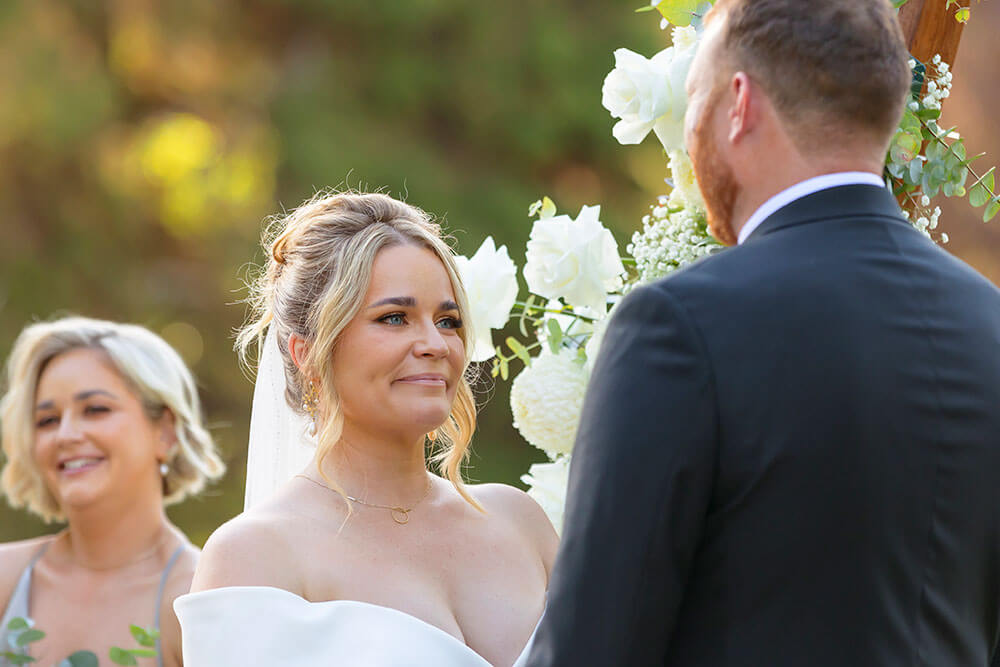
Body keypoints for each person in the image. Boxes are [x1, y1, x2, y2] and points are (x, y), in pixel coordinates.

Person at [526, 0, 1000, 665]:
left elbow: (593, 648)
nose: (690, 130)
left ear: (738, 104)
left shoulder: (679, 326)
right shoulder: (990, 323)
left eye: (696, 98)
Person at [175, 192, 558, 666]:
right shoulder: (254, 556)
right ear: (308, 353)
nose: (436, 344)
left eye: (448, 320)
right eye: (394, 318)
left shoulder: (522, 522)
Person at [0, 317, 225, 666]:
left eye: (95, 410)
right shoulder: (5, 577)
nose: (66, 434)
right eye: (47, 420)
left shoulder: (196, 598)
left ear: (164, 432)